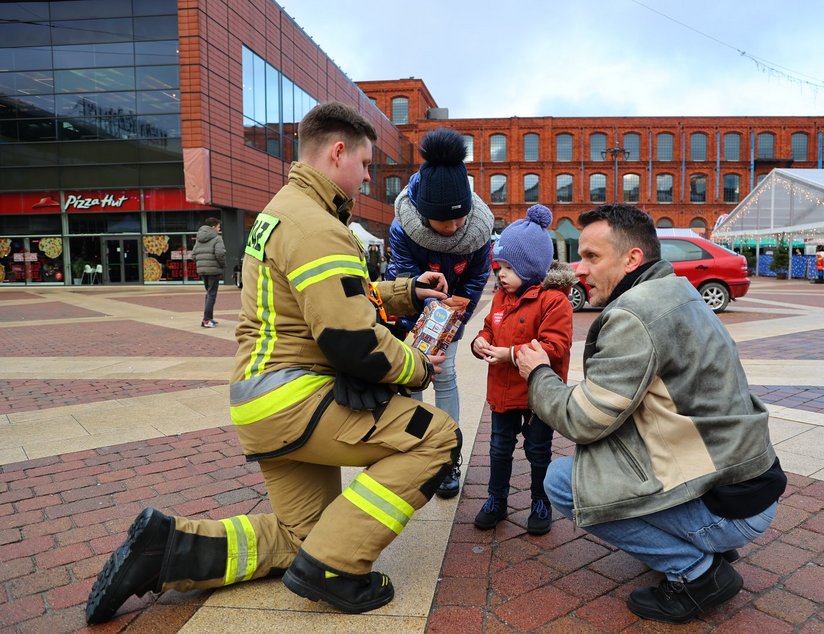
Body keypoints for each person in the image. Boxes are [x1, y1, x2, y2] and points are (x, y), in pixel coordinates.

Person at [85, 102, 461, 624]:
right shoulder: (318, 227)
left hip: (263, 400)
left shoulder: (282, 212)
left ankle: (166, 550)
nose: (368, 176)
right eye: (366, 164)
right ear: (337, 152)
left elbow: (329, 295)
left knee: (303, 536)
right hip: (297, 399)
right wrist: (420, 364)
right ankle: (335, 570)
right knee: (435, 437)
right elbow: (352, 341)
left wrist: (404, 293)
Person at [515, 203, 786, 624]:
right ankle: (705, 547)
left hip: (728, 506)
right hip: (748, 484)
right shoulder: (677, 291)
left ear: (632, 259)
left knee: (564, 483)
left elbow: (582, 420)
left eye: (591, 256)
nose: (579, 269)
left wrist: (538, 375)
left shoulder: (633, 314)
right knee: (605, 462)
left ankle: (698, 574)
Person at [385, 127, 492, 499]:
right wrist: (428, 310)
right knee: (412, 381)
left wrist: (454, 318)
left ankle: (448, 458)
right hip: (411, 318)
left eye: (459, 220)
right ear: (423, 216)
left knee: (445, 379)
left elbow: (478, 277)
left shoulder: (477, 231)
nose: (453, 228)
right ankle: (417, 455)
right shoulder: (403, 228)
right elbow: (401, 277)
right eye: (444, 223)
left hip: (452, 319)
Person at [470, 205, 574, 535]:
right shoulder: (501, 297)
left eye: (509, 267)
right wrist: (479, 343)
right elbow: (489, 327)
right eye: (498, 266)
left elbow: (555, 345)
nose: (500, 274)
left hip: (538, 395)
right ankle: (496, 499)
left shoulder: (553, 301)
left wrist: (510, 353)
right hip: (502, 390)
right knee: (499, 448)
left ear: (530, 267)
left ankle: (540, 501)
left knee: (538, 450)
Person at [192, 217, 226, 328]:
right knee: (212, 294)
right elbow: (220, 254)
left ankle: (208, 319)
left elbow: (193, 254)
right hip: (213, 270)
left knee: (209, 293)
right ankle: (207, 320)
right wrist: (223, 265)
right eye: (218, 227)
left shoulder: (199, 238)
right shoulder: (217, 238)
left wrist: (200, 264)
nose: (219, 229)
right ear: (213, 227)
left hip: (203, 270)